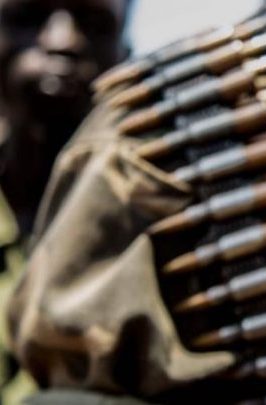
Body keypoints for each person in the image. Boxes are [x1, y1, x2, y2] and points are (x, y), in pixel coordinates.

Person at [0, 0, 129, 403]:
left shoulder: (159, 215)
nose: (63, 41)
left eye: (92, 23)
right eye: (28, 18)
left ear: (124, 50)